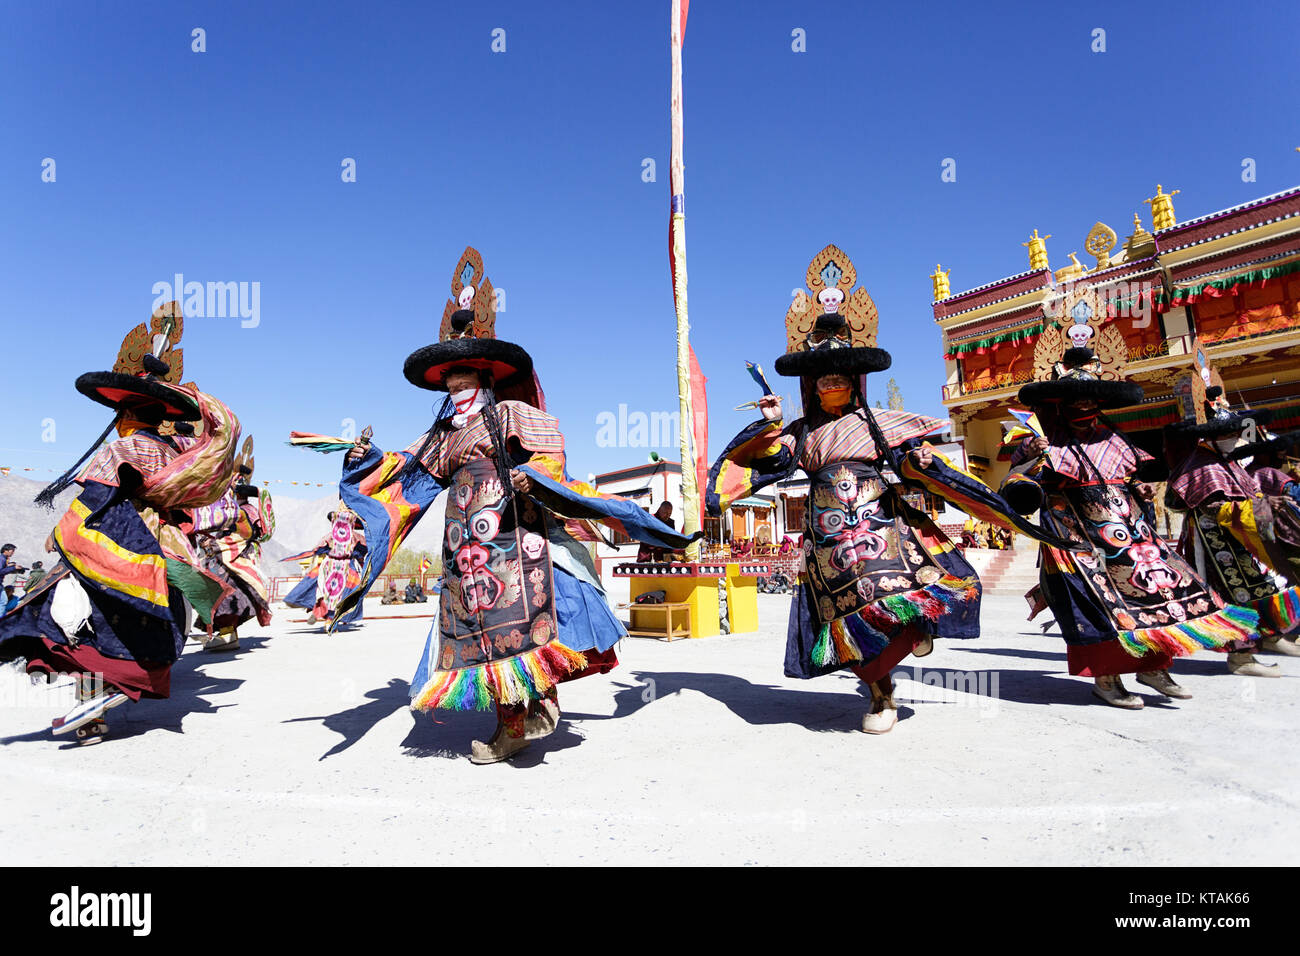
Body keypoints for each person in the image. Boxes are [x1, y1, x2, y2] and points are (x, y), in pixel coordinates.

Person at [333, 248, 697, 763]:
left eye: (465, 379)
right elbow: (407, 475)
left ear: (485, 378)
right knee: (480, 634)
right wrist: (361, 458)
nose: (457, 387)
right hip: (464, 549)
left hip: (514, 539)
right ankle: (522, 718)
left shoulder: (511, 415)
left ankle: (519, 721)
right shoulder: (440, 437)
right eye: (450, 381)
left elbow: (551, 461)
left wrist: (531, 480)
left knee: (520, 632)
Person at [707, 245, 1073, 733]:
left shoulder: (882, 426)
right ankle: (882, 695)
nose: (828, 386)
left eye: (838, 379)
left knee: (893, 596)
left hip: (882, 530)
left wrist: (925, 465)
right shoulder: (800, 433)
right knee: (850, 615)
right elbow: (766, 466)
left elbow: (918, 464)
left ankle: (917, 629)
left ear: (856, 381)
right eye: (821, 380)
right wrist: (770, 424)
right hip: (826, 541)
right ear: (810, 385)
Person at [0, 307, 240, 741]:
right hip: (166, 550)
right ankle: (112, 693)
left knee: (80, 619)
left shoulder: (122, 449)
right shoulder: (174, 457)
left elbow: (96, 497)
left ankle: (91, 710)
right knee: (145, 621)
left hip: (113, 544)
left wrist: (60, 534)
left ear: (127, 415)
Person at [1004, 344, 1257, 708]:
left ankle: (1153, 665)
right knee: (1097, 603)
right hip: (1077, 537)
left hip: (1130, 531)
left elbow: (1130, 474)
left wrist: (1137, 488)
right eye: (1077, 401)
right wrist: (1031, 456)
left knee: (1157, 591)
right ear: (1061, 403)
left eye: (1093, 400)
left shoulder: (1113, 438)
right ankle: (1107, 678)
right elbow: (1019, 483)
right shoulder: (1043, 441)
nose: (1086, 407)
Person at [1165, 384, 1300, 668]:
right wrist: (1260, 507)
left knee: (1266, 584)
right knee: (1236, 593)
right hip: (1215, 541)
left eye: (1235, 433)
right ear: (1212, 437)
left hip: (1241, 534)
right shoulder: (1202, 465)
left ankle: (1271, 635)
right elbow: (1208, 507)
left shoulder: (1226, 461)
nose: (1234, 438)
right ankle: (1240, 655)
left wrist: (1266, 502)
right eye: (1228, 433)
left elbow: (1248, 493)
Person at [282, 506, 367, 628]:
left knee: (321, 590)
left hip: (329, 565)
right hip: (346, 566)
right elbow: (362, 552)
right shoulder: (356, 537)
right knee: (344, 594)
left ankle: (319, 613)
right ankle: (330, 620)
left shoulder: (330, 536)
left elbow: (318, 549)